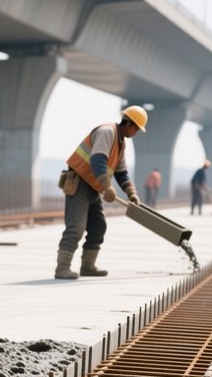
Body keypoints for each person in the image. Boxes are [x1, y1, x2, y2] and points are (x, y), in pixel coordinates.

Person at [55, 105, 147, 279]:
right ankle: (62, 268)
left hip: (93, 187)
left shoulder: (120, 144)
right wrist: (107, 186)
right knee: (76, 228)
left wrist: (131, 193)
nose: (136, 133)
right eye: (137, 129)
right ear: (130, 124)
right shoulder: (107, 132)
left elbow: (121, 173)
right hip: (80, 183)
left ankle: (88, 266)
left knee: (98, 227)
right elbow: (97, 160)